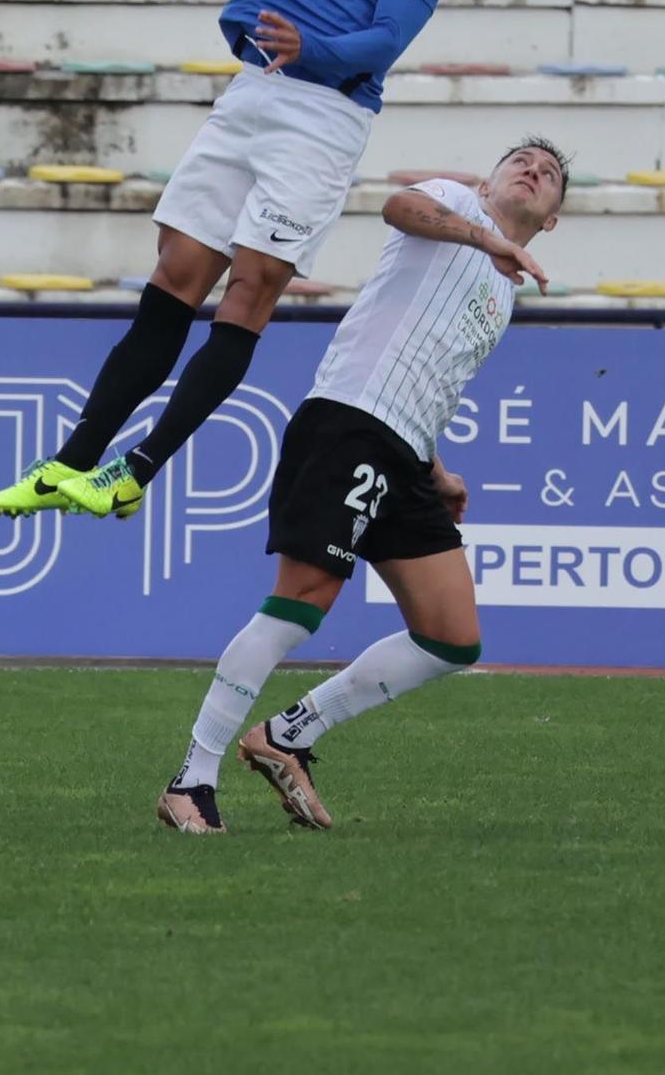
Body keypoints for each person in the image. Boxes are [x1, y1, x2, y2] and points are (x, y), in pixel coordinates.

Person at [0, 0, 460, 522]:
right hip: (252, 94)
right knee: (176, 276)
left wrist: (316, 46)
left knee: (249, 290)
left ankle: (134, 470)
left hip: (325, 114)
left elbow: (388, 38)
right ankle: (70, 463)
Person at [154, 138, 564, 834]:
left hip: (405, 452)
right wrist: (481, 235)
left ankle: (289, 735)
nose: (533, 170)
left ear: (552, 218)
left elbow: (431, 379)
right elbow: (398, 206)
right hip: (348, 422)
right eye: (520, 160)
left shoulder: (503, 291)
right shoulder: (457, 204)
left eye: (550, 174)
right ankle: (192, 779)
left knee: (452, 636)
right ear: (488, 179)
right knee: (302, 600)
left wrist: (436, 472)